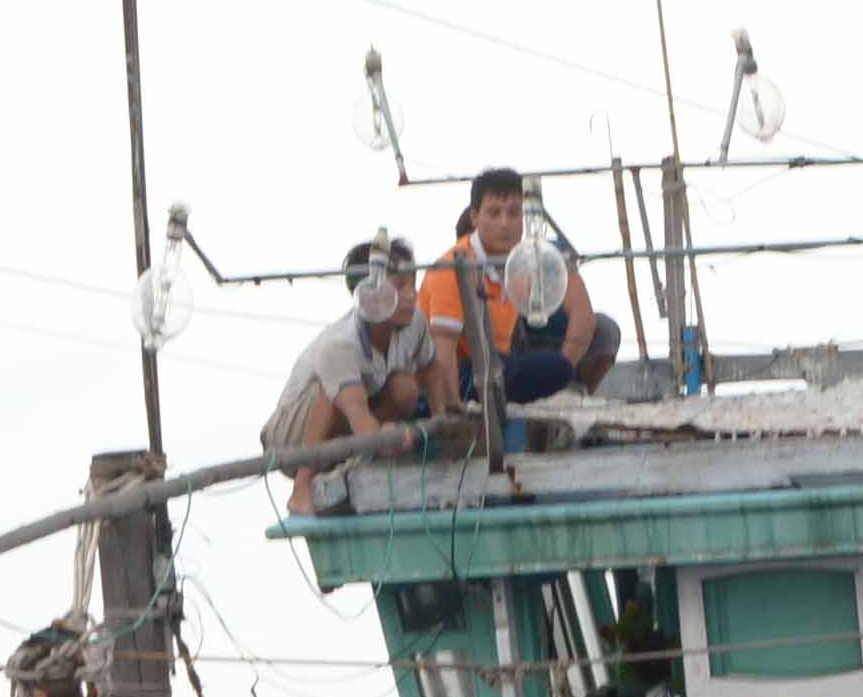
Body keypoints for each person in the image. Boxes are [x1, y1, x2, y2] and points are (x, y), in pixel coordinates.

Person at [417, 169, 622, 410]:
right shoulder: (453, 267)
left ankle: (563, 391)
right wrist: (451, 410)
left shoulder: (527, 256)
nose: (504, 223)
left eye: (514, 213)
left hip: (498, 364)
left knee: (563, 360)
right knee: (540, 369)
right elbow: (443, 350)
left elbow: (583, 314)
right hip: (462, 375)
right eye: (494, 213)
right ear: (474, 217)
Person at [260, 234, 432, 510]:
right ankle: (301, 487)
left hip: (349, 424)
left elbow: (429, 370)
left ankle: (359, 460)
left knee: (404, 385)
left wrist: (440, 418)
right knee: (331, 393)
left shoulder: (415, 323)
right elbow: (357, 413)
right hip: (291, 437)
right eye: (400, 286)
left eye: (413, 284)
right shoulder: (339, 343)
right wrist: (384, 438)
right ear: (368, 294)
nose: (412, 295)